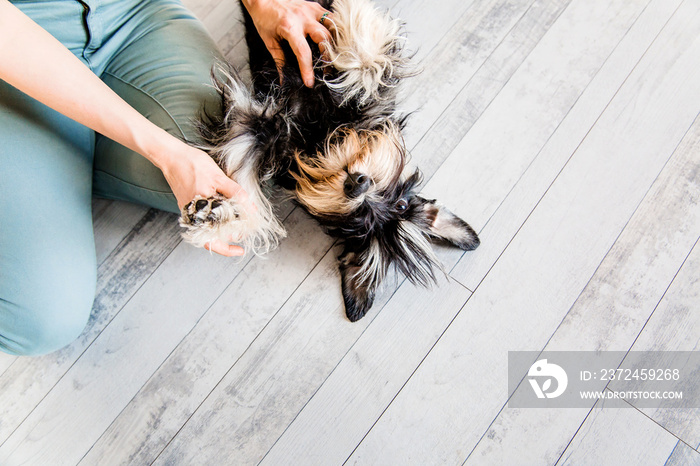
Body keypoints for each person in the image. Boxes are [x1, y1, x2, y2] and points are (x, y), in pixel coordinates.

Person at [0, 0, 332, 356]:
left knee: (249, 170)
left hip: (130, 15)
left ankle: (70, 148)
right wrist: (169, 154)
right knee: (43, 318)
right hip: (17, 39)